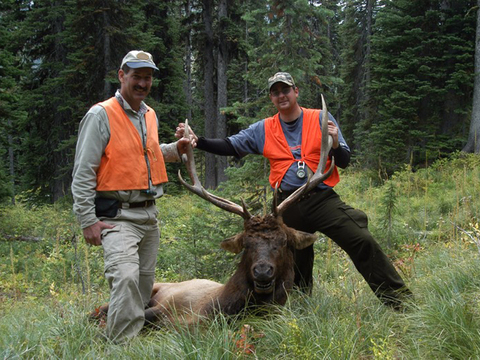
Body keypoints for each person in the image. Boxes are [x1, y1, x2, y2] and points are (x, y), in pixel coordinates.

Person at [176, 72, 412, 309]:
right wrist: (200, 141)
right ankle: (300, 310)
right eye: (276, 92)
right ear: (272, 98)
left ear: (295, 91)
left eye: (285, 90)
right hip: (285, 206)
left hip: (321, 200)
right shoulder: (264, 128)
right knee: (295, 262)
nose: (281, 96)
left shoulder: (321, 119)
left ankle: (400, 302)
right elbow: (231, 145)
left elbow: (344, 160)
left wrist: (337, 142)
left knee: (361, 239)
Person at [72, 50, 191, 343]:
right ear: (121, 76)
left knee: (141, 286)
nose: (142, 82)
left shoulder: (148, 114)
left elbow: (144, 157)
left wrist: (176, 149)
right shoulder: (101, 115)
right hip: (117, 216)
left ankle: (121, 337)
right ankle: (121, 347)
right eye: (136, 76)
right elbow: (83, 171)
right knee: (124, 278)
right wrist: (87, 219)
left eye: (147, 77)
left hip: (149, 215)